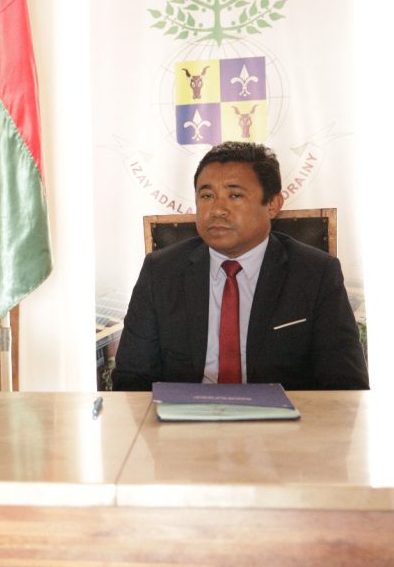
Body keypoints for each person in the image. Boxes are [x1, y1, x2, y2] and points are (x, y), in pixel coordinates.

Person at [111, 142, 369, 391]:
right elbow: (132, 378)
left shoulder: (316, 273)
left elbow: (345, 385)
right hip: (184, 418)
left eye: (234, 195)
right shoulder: (160, 271)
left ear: (272, 204)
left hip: (286, 419)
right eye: (207, 196)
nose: (217, 210)